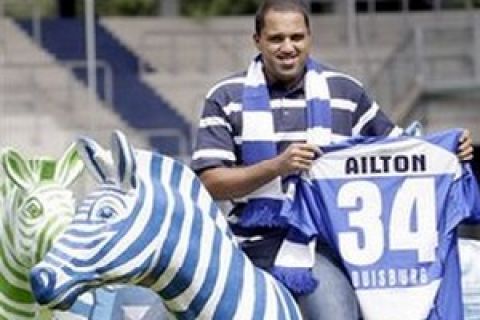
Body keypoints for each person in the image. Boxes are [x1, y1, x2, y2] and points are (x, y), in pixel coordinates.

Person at [190, 0, 474, 319]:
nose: (288, 47)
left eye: (297, 37)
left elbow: (399, 151)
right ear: (257, 41)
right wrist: (277, 166)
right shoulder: (226, 96)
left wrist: (448, 150)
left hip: (335, 242)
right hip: (254, 241)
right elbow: (210, 182)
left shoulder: (345, 91)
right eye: (276, 38)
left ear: (309, 38)